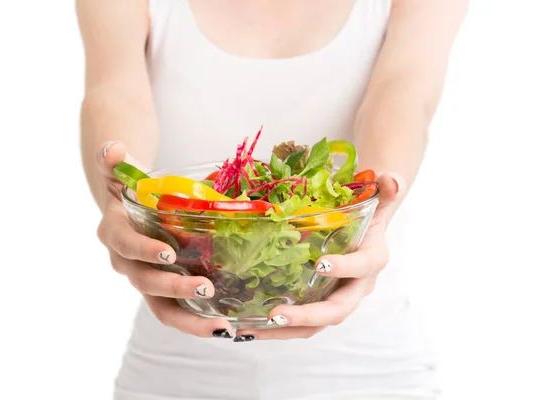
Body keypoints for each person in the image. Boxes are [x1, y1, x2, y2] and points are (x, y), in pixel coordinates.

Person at [76, 0, 467, 398]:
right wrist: (122, 190)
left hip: (368, 371)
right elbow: (114, 93)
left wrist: (373, 207)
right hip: (172, 374)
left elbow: (402, 96)